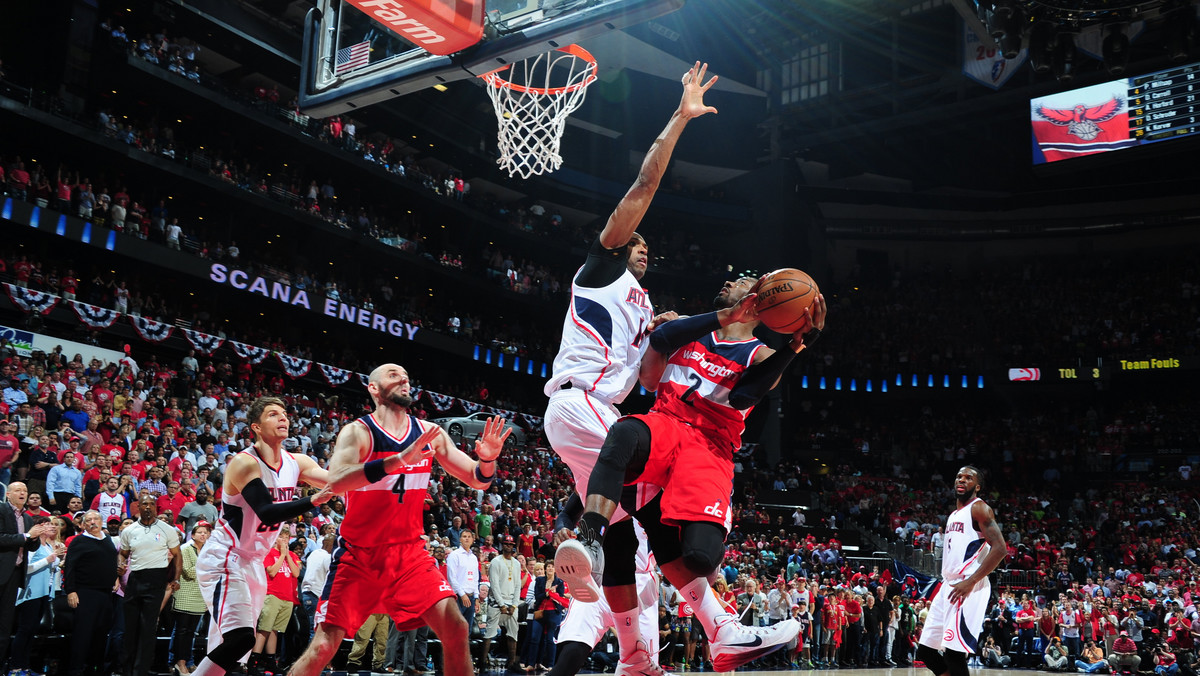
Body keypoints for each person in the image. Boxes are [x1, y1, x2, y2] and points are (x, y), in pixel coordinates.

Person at [541, 60, 720, 676]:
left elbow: (646, 382)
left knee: (631, 529)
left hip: (599, 412)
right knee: (661, 494)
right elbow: (644, 186)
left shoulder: (641, 306)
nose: (641, 245)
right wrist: (680, 117)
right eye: (635, 241)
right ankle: (718, 626)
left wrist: (663, 336)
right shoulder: (600, 267)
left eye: (647, 246)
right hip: (578, 402)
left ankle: (636, 657)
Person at [558, 275, 825, 673]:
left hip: (710, 445)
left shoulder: (762, 353)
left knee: (699, 556)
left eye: (744, 280)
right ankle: (588, 539)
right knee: (624, 432)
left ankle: (719, 635)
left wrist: (796, 346)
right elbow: (657, 355)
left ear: (760, 298)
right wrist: (709, 319)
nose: (731, 279)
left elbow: (744, 396)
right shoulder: (691, 328)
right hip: (666, 422)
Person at [288, 364, 511, 676]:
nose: (404, 379)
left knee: (456, 627)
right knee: (325, 644)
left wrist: (487, 459)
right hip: (359, 554)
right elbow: (336, 481)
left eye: (406, 376)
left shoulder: (430, 433)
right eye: (394, 375)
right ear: (374, 389)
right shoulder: (358, 431)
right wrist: (398, 460)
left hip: (408, 555)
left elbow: (478, 479)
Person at [191, 396, 332, 676]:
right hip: (226, 556)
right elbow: (267, 511)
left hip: (253, 563)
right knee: (242, 638)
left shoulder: (297, 462)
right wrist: (313, 500)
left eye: (284, 414)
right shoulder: (245, 463)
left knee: (236, 654)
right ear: (255, 427)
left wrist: (384, 471)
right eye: (273, 414)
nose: (283, 418)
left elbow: (336, 480)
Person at [914, 466, 1008, 676]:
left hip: (969, 584)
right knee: (926, 651)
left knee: (954, 654)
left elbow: (1001, 548)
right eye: (959, 476)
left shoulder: (979, 508)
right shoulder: (954, 514)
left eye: (968, 478)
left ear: (977, 486)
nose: (962, 480)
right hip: (949, 584)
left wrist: (971, 581)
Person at [120, 493, 183, 676]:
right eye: (144, 504)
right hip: (135, 578)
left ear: (156, 507)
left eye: (151, 504)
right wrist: (120, 563)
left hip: (156, 579)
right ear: (138, 507)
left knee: (148, 628)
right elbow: (123, 553)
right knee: (130, 628)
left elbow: (177, 555)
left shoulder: (167, 529)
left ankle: (141, 670)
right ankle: (126, 669)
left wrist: (176, 578)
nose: (148, 507)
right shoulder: (129, 530)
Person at [64, 510, 121, 676]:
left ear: (101, 521)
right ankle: (76, 669)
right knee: (83, 634)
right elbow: (70, 567)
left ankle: (94, 668)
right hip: (85, 593)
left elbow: (110, 561)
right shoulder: (79, 541)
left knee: (101, 633)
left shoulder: (107, 539)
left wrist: (115, 577)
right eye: (88, 520)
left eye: (96, 518)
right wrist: (71, 591)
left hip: (105, 595)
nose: (92, 522)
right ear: (83, 524)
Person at [11, 515, 63, 673]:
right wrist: (48, 560)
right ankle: (15, 667)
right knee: (24, 630)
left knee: (32, 631)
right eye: (46, 524)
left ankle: (25, 667)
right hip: (30, 593)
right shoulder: (32, 546)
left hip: (43, 592)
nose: (50, 527)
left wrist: (58, 560)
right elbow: (26, 568)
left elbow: (50, 567)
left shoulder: (47, 545)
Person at [252, 529, 301, 676]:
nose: (285, 540)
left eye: (287, 538)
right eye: (282, 537)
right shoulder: (268, 553)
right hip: (273, 595)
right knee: (264, 629)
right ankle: (253, 662)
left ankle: (271, 663)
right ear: (275, 538)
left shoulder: (292, 555)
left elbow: (296, 573)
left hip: (288, 598)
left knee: (275, 630)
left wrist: (287, 556)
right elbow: (272, 572)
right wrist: (281, 556)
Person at [171, 521, 211, 676]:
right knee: (182, 631)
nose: (203, 534)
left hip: (200, 597)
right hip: (185, 595)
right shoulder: (185, 549)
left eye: (206, 532)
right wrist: (208, 567)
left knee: (191, 633)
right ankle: (179, 663)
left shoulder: (207, 551)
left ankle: (188, 661)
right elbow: (189, 572)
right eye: (200, 532)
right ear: (193, 534)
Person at [299, 534, 334, 641]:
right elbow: (331, 577)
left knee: (306, 629)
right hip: (316, 595)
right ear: (331, 544)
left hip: (305, 593)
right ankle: (313, 657)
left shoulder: (313, 554)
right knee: (314, 631)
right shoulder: (327, 557)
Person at [446, 529, 480, 630]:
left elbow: (475, 579)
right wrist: (462, 594)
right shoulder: (454, 555)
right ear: (460, 539)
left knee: (467, 630)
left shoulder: (474, 558)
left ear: (473, 539)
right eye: (464, 536)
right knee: (456, 629)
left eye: (469, 537)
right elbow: (451, 577)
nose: (467, 539)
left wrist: (476, 597)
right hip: (458, 597)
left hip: (471, 597)